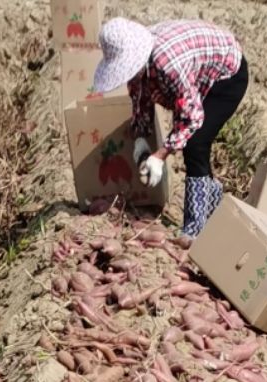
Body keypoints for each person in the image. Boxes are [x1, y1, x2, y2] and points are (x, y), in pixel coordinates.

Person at [91, 17, 249, 243]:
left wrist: (160, 156)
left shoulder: (168, 64)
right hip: (197, 70)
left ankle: (195, 230)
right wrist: (141, 142)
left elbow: (192, 118)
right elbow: (141, 100)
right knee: (195, 143)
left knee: (196, 143)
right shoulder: (140, 70)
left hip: (227, 75)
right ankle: (214, 211)